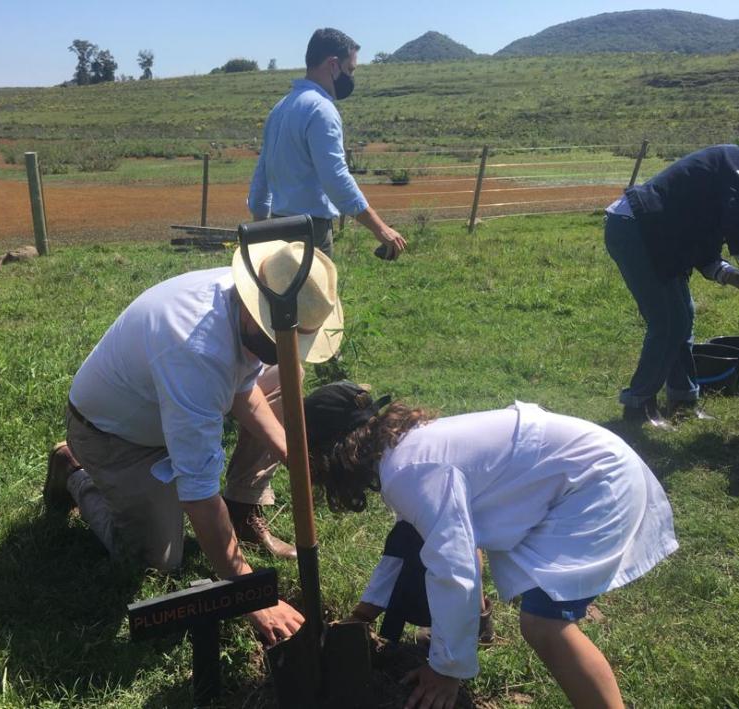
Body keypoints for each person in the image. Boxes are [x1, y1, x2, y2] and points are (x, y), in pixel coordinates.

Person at [304, 382, 678, 709]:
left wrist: (446, 670)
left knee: (544, 625)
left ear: (335, 454)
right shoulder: (402, 451)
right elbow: (406, 545)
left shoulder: (409, 470)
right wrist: (361, 617)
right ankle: (474, 624)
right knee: (457, 552)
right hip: (578, 473)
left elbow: (454, 567)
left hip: (593, 482)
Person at [44, 241, 343, 645]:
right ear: (258, 313)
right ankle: (73, 470)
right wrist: (251, 594)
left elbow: (243, 385)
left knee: (285, 378)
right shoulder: (196, 353)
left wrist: (290, 451)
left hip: (166, 409)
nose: (284, 350)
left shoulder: (245, 302)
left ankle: (241, 505)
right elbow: (199, 497)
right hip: (116, 438)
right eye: (280, 339)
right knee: (158, 559)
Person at [604, 144, 739, 428]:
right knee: (668, 322)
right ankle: (638, 403)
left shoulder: (724, 176)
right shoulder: (732, 166)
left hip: (661, 237)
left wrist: (731, 276)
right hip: (636, 229)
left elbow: (708, 255)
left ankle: (683, 399)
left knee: (684, 316)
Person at [247, 28, 407, 260]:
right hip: (310, 233)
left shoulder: (280, 108)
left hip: (277, 229)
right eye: (350, 69)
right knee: (314, 296)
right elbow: (335, 178)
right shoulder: (321, 109)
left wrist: (262, 232)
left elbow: (262, 174)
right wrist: (380, 228)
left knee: (281, 295)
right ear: (333, 65)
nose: (351, 77)